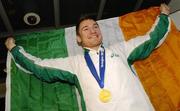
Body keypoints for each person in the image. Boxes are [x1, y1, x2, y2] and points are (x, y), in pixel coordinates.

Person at [5, 3, 170, 111]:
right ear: (78, 39)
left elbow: (150, 39)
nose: (93, 30)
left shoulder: (121, 49)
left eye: (95, 26)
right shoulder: (73, 63)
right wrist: (14, 49)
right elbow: (39, 67)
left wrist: (163, 16)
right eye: (86, 29)